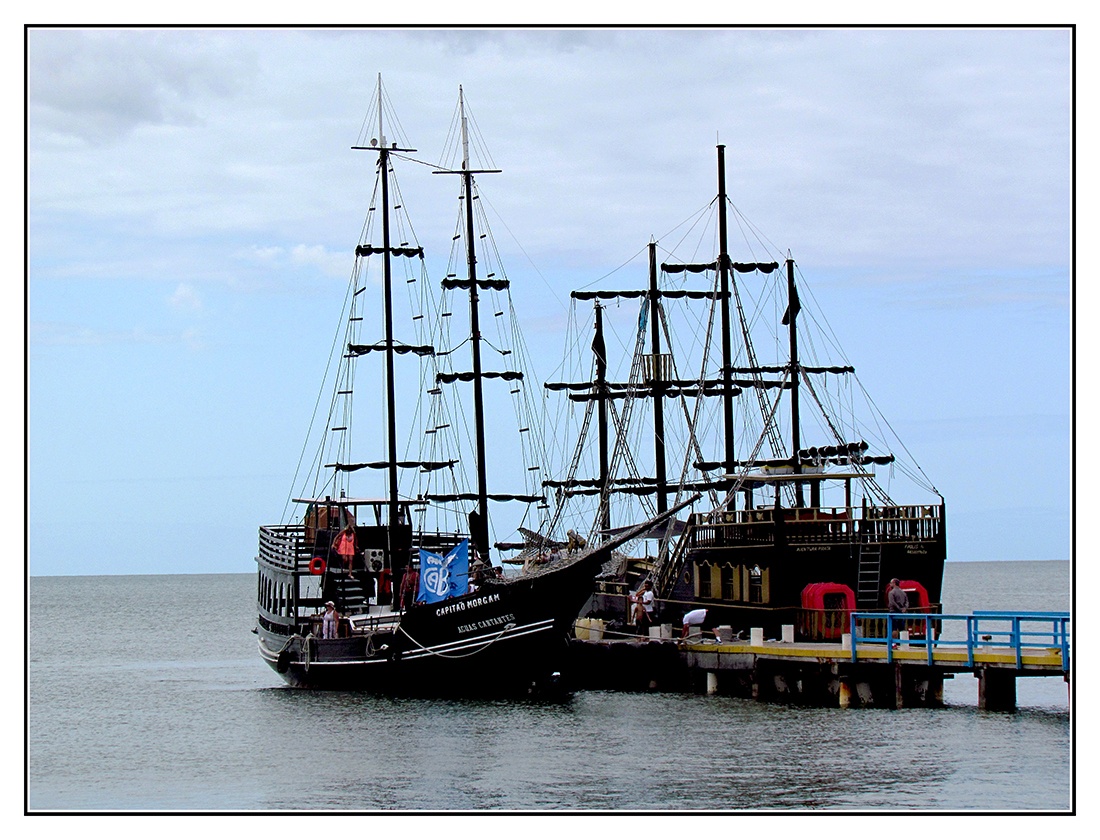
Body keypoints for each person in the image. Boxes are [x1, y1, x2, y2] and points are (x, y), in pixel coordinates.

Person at [887, 578, 909, 646]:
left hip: (893, 612)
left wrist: (899, 608)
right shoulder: (903, 592)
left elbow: (892, 602)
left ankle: (893, 644)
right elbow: (907, 602)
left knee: (894, 628)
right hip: (902, 613)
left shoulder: (891, 592)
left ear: (894, 583)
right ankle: (904, 644)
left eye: (891, 583)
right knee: (902, 628)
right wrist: (904, 608)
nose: (890, 584)